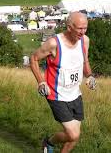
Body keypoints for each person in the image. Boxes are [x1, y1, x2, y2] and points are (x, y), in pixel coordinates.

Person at [30, 12, 96, 153]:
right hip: (56, 95)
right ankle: (49, 142)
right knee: (73, 134)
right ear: (69, 27)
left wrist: (89, 75)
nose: (83, 32)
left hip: (75, 94)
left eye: (85, 28)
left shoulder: (85, 41)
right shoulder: (54, 43)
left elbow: (85, 60)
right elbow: (34, 59)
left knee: (74, 137)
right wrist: (41, 82)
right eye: (79, 28)